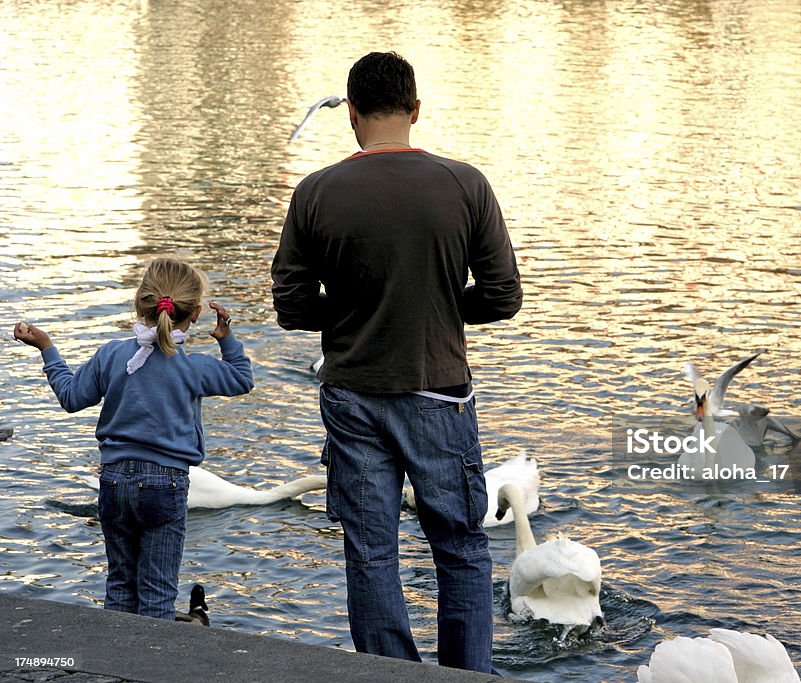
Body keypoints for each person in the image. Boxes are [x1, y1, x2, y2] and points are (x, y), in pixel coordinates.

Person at [271, 51, 522, 673]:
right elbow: (503, 296)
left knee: (371, 551)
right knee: (460, 549)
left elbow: (292, 306)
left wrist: (358, 310)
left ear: (351, 113)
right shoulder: (466, 185)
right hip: (437, 389)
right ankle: (467, 676)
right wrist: (435, 306)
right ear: (415, 110)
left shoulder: (316, 192)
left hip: (352, 394)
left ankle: (388, 674)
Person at [13, 257, 254, 619]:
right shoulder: (195, 366)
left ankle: (114, 668)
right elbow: (241, 379)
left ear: (139, 303)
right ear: (197, 313)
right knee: (157, 593)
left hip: (113, 480)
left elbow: (71, 397)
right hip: (165, 484)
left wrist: (48, 349)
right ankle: (149, 670)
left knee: (120, 585)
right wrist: (227, 338)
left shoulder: (111, 354)